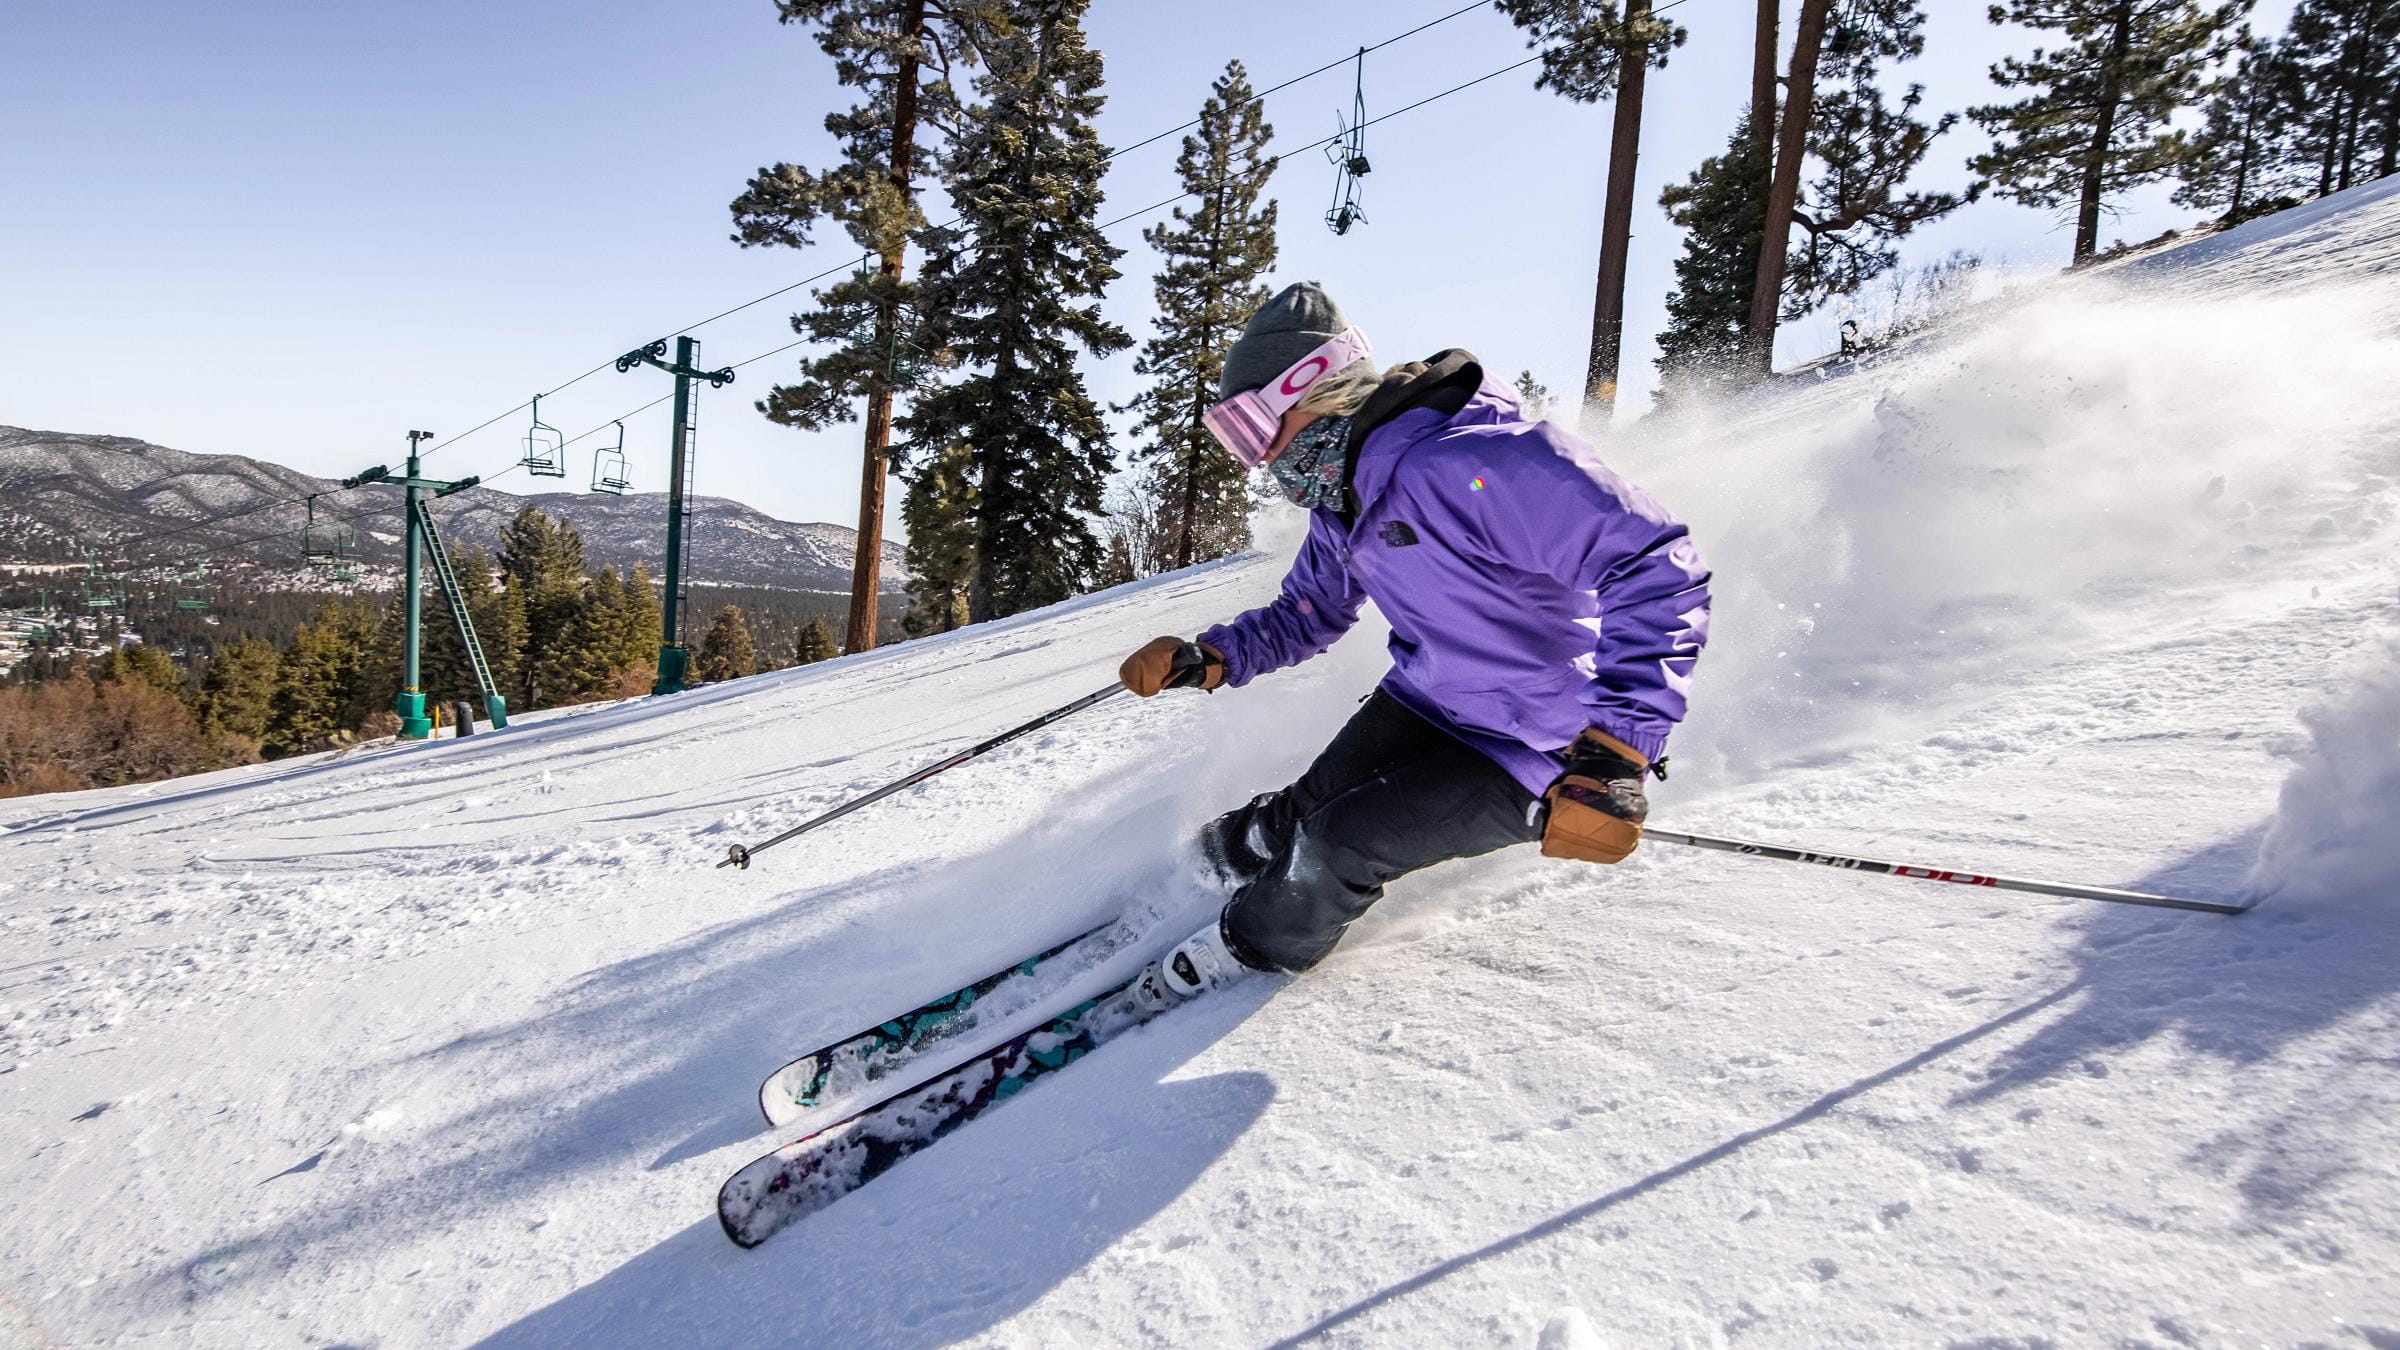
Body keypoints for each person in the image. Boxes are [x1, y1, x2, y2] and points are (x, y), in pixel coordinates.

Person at [1119, 281, 1712, 1001]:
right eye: (1232, 439)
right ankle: (1216, 863)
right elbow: (1308, 612)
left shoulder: (1469, 463)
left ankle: (1243, 953)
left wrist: (1618, 748)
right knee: (1305, 810)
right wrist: (1208, 658)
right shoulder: (1346, 495)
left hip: (1546, 743)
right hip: (1437, 699)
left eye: (1249, 430)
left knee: (1336, 845)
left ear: (1314, 390)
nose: (1253, 460)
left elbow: (1656, 565)